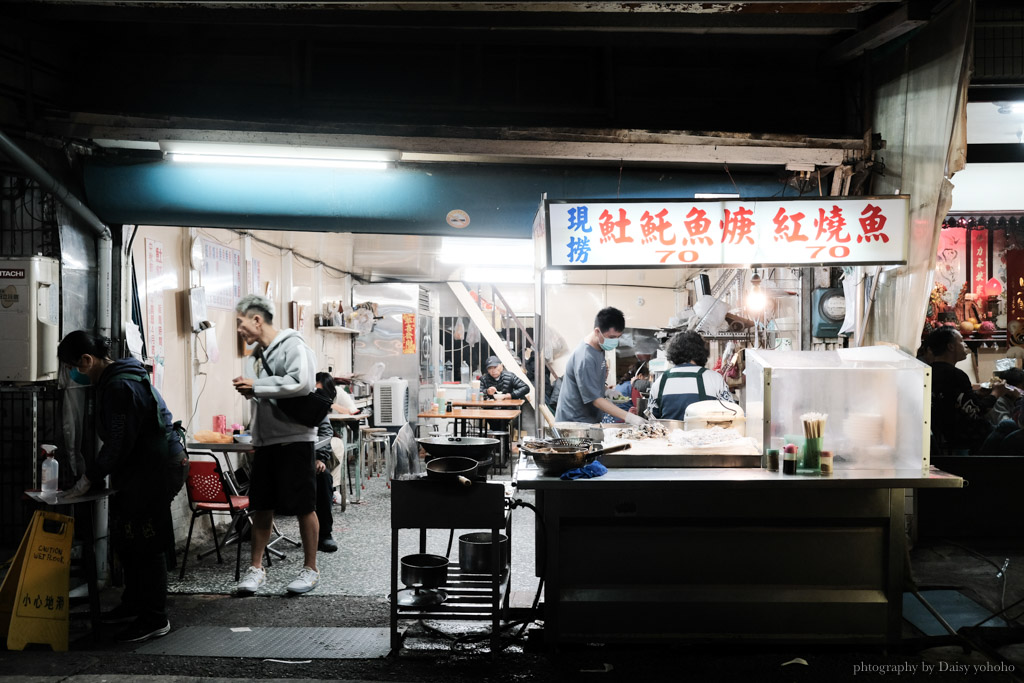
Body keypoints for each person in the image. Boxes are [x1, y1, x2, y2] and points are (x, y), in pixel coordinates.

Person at [57, 330, 188, 643]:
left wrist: (89, 478)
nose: (72, 374)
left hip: (156, 470)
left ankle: (154, 618)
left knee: (146, 541)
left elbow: (118, 443)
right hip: (146, 468)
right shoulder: (122, 375)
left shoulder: (119, 386)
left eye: (73, 367)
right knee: (128, 537)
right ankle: (134, 604)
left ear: (87, 361)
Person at [232, 294, 321, 595]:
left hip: (295, 438)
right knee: (262, 505)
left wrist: (256, 386)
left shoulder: (294, 345)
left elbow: (303, 383)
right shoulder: (255, 356)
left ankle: (310, 569)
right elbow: (265, 396)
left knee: (304, 505)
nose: (239, 330)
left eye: (240, 323)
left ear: (257, 320)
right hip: (266, 440)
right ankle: (256, 570)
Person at [555, 307, 646, 425]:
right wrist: (629, 417)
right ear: (597, 332)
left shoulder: (599, 348)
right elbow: (596, 400)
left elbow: (591, 383)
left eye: (618, 337)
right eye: (612, 337)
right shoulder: (585, 357)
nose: (615, 341)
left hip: (588, 420)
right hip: (574, 423)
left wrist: (607, 391)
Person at [924, 327, 1005, 455]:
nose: (965, 345)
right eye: (961, 341)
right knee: (1007, 426)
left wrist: (977, 394)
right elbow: (977, 411)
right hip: (965, 437)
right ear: (951, 347)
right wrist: (996, 393)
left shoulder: (928, 372)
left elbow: (954, 399)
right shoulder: (956, 375)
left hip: (942, 434)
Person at [650, 330, 734, 421]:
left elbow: (652, 418)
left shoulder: (660, 381)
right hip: (706, 434)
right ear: (702, 352)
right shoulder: (714, 378)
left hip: (670, 434)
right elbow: (732, 412)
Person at [313, 372, 341, 553]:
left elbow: (325, 432)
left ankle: (325, 534)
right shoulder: (277, 399)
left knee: (323, 477)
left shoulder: (314, 403)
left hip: (307, 456)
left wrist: (320, 457)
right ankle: (247, 525)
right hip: (281, 457)